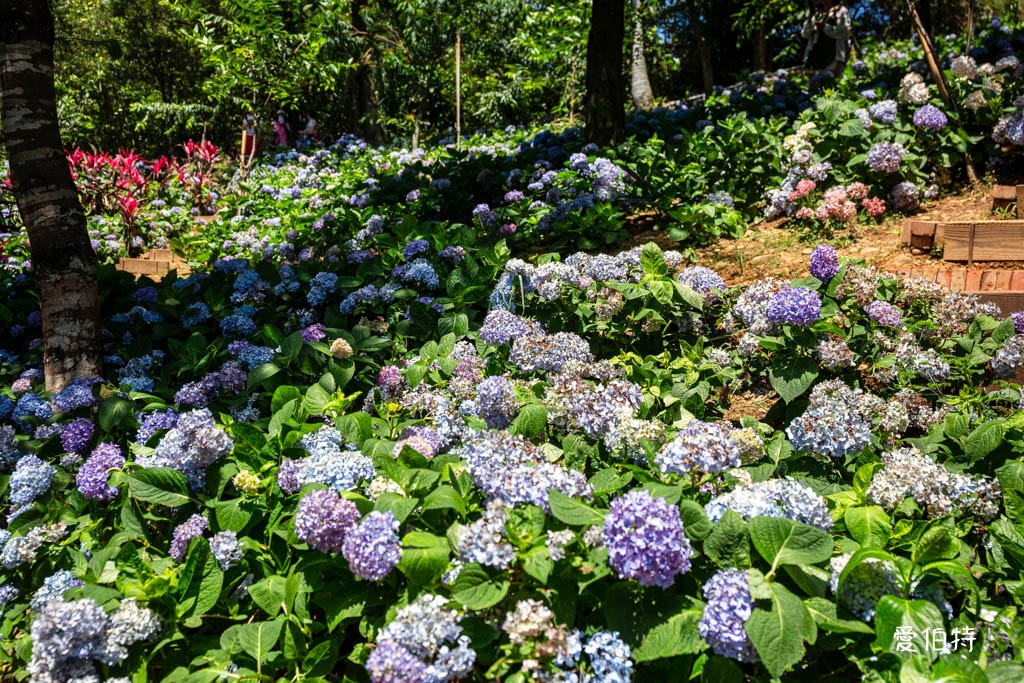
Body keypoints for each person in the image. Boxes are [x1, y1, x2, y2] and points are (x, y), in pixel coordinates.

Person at [801, 0, 851, 77]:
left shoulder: (841, 11)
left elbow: (843, 32)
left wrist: (824, 27)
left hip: (832, 58)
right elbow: (805, 34)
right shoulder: (818, 14)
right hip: (814, 59)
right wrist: (810, 16)